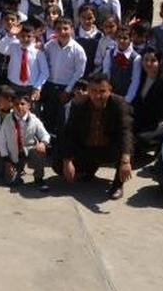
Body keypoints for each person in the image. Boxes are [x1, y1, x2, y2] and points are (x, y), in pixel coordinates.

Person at [56, 72, 134, 200]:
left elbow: (126, 131)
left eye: (102, 91)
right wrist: (67, 161)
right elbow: (69, 133)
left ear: (110, 90)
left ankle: (118, 185)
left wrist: (126, 160)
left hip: (109, 148)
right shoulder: (79, 104)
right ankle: (90, 168)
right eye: (93, 91)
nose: (98, 96)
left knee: (128, 148)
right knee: (58, 164)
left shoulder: (119, 104)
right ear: (88, 90)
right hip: (87, 147)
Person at [0, 86, 51, 189]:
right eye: (16, 104)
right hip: (14, 153)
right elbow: (2, 141)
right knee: (11, 182)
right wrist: (7, 161)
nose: (19, 107)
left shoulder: (34, 119)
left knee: (40, 151)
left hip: (29, 150)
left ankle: (39, 178)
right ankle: (18, 169)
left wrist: (43, 143)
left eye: (22, 104)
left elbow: (45, 135)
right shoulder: (7, 120)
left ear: (29, 105)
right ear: (12, 105)